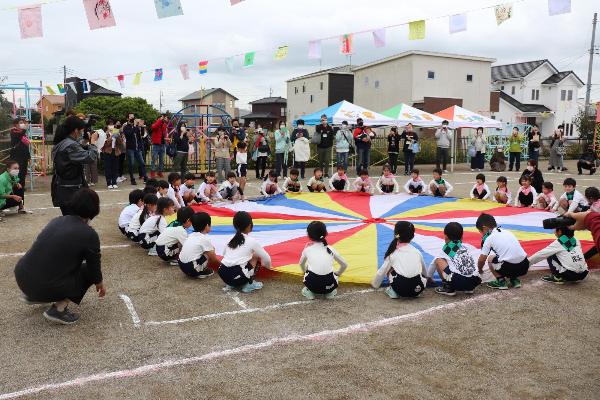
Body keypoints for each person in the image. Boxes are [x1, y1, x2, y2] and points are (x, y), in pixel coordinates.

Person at [14, 188, 105, 325]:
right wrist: (99, 283)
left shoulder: (56, 220)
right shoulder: (89, 234)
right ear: (94, 209)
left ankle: (35, 296)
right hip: (42, 287)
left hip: (22, 279)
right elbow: (94, 267)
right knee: (87, 271)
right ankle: (59, 308)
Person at [51, 116, 99, 215]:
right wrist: (93, 142)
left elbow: (79, 150)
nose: (82, 133)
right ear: (76, 130)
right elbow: (90, 158)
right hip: (71, 190)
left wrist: (87, 143)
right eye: (81, 130)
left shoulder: (61, 142)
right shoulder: (70, 145)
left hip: (63, 188)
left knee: (68, 219)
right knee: (74, 219)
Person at [218, 211, 272, 293]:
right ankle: (249, 283)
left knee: (242, 262)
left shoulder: (231, 240)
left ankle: (231, 283)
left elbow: (224, 254)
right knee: (255, 255)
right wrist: (267, 268)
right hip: (237, 276)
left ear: (234, 226)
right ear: (250, 225)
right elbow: (267, 258)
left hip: (223, 274)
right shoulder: (252, 241)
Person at [371, 221, 427, 298]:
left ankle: (393, 291)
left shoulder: (393, 253)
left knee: (389, 269)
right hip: (418, 288)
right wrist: (428, 277)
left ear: (396, 234)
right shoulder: (417, 252)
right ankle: (412, 290)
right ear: (412, 236)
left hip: (401, 289)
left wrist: (375, 284)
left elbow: (382, 271)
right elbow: (424, 271)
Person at [476, 213, 529, 289]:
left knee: (490, 259)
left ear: (484, 228)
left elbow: (481, 260)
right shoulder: (508, 232)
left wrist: (480, 270)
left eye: (480, 232)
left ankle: (501, 281)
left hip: (508, 268)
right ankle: (514, 280)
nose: (481, 234)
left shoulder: (489, 238)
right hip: (524, 265)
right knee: (508, 256)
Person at [429, 222, 481, 296]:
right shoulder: (467, 247)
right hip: (475, 281)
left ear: (446, 237)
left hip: (459, 282)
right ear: (462, 237)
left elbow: (432, 264)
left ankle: (448, 288)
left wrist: (429, 277)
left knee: (438, 260)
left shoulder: (446, 249)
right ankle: (469, 289)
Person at [299, 221, 348, 299]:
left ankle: (310, 292)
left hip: (313, 285)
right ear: (326, 233)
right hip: (330, 285)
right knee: (332, 274)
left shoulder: (307, 250)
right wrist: (338, 273)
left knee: (308, 269)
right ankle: (329, 293)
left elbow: (301, 264)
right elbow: (344, 265)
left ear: (309, 236)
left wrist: (304, 272)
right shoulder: (331, 249)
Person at [178, 212, 218, 279]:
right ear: (207, 225)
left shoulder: (190, 235)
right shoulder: (204, 238)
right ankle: (201, 271)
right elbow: (213, 258)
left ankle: (196, 268)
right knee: (211, 250)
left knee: (204, 250)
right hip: (192, 269)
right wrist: (221, 267)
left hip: (182, 266)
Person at [123, 116, 148, 185]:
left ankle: (145, 177)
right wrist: (134, 126)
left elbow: (141, 135)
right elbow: (129, 134)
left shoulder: (136, 127)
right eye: (132, 119)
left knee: (142, 163)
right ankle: (132, 179)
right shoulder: (126, 127)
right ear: (128, 120)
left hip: (137, 148)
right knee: (131, 164)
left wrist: (142, 126)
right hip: (130, 148)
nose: (133, 120)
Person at [9, 118, 31, 191]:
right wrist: (25, 127)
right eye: (21, 123)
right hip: (16, 156)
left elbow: (26, 146)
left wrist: (29, 157)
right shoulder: (13, 131)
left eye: (23, 123)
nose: (22, 124)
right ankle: (15, 186)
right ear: (16, 124)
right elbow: (20, 134)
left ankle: (22, 186)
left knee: (23, 172)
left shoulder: (23, 134)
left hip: (24, 156)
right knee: (17, 172)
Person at [101, 122, 123, 190]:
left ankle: (114, 182)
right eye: (110, 126)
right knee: (108, 168)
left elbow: (120, 144)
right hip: (107, 152)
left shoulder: (116, 133)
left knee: (115, 168)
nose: (112, 127)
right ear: (107, 127)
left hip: (115, 152)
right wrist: (111, 137)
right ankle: (109, 183)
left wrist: (118, 137)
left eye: (112, 126)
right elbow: (105, 145)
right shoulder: (105, 134)